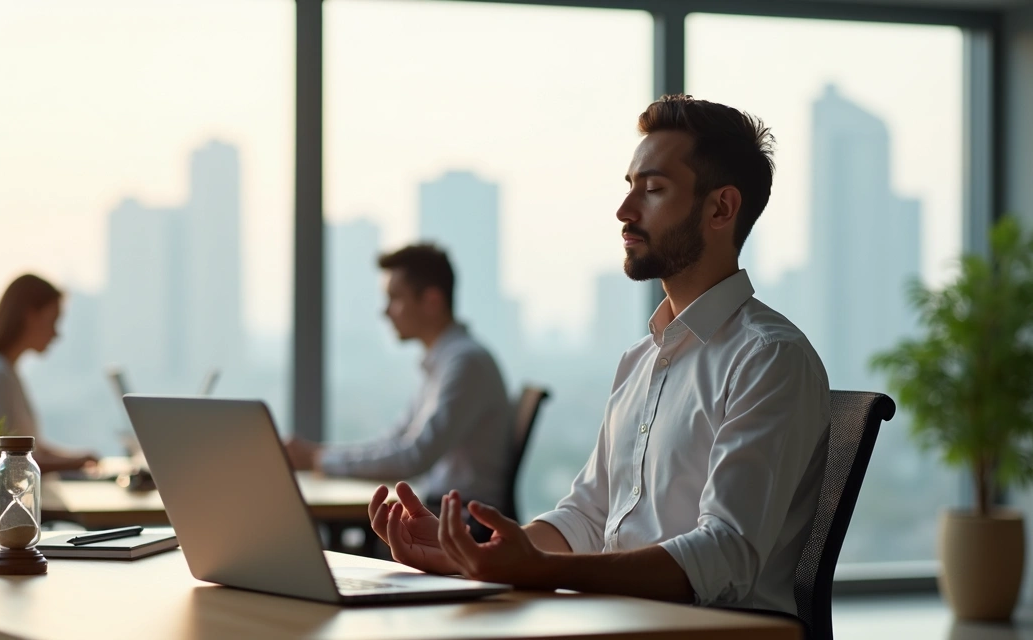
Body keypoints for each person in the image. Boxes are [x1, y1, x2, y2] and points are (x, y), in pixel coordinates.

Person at [364, 95, 831, 619]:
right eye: (629, 188)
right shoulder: (640, 360)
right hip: (613, 620)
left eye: (653, 190)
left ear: (721, 208)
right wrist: (472, 554)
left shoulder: (768, 358)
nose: (624, 211)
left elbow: (725, 555)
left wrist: (542, 572)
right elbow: (587, 517)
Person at [284, 244, 513, 541]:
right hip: (445, 513)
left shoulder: (465, 363)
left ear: (431, 301)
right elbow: (396, 441)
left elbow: (413, 458)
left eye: (395, 298)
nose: (385, 311)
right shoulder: (446, 362)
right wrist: (321, 455)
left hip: (466, 527)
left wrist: (319, 460)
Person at [0, 274, 98, 473]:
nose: (56, 333)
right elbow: (11, 461)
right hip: (2, 500)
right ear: (30, 316)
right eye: (53, 321)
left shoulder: (0, 370)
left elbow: (30, 449)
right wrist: (76, 463)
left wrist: (79, 459)